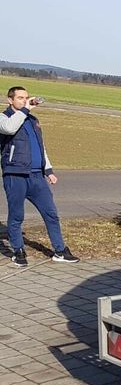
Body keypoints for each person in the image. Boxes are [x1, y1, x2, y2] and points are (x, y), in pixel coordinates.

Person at [1, 86, 79, 266]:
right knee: (16, 215)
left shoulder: (32, 120)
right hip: (15, 174)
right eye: (20, 98)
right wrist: (26, 109)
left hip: (36, 176)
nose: (24, 100)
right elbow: (10, 129)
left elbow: (40, 147)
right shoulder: (4, 118)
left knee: (51, 213)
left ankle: (60, 251)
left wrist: (48, 170)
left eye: (26, 97)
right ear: (10, 100)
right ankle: (18, 251)